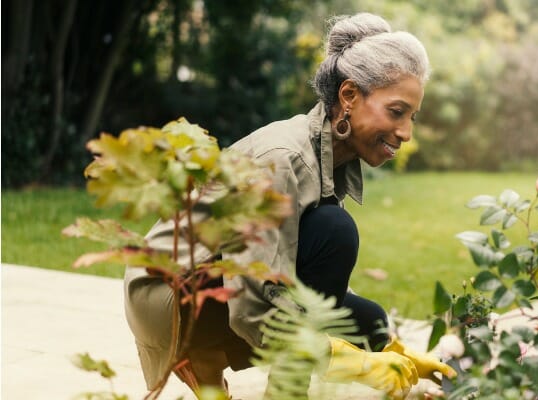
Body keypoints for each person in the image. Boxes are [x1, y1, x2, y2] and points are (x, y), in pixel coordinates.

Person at [124, 12, 455, 399]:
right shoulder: (282, 159)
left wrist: (392, 352)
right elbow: (250, 303)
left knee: (370, 323)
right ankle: (216, 362)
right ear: (348, 96)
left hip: (213, 283)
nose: (406, 133)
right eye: (396, 112)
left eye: (412, 117)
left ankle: (215, 357)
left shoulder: (330, 158)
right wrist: (348, 362)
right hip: (168, 296)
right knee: (335, 231)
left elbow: (302, 282)